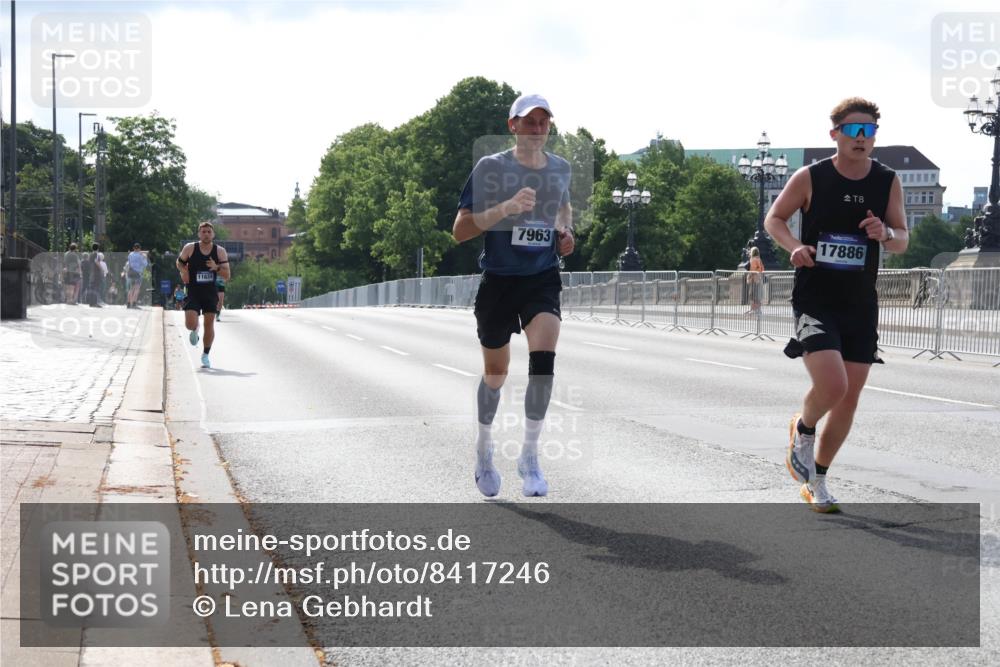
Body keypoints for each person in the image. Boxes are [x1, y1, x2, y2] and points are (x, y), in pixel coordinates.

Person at [764, 97, 908, 512]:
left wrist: (885, 233)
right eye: (854, 131)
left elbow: (902, 239)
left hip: (860, 299)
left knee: (848, 398)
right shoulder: (811, 177)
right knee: (834, 384)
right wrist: (793, 246)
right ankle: (803, 427)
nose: (862, 139)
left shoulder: (887, 181)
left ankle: (818, 480)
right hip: (816, 295)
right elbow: (775, 219)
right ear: (836, 134)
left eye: (869, 132)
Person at [453, 93, 575, 498]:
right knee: (496, 374)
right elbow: (462, 229)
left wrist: (565, 233)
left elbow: (563, 209)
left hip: (541, 277)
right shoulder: (491, 167)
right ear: (513, 126)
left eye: (543, 122)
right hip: (499, 280)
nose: (537, 128)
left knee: (544, 360)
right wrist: (504, 208)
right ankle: (484, 449)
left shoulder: (560, 169)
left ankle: (530, 455)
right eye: (529, 121)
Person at [176, 222, 230, 368]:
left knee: (209, 324)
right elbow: (179, 262)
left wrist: (216, 267)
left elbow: (227, 275)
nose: (206, 234)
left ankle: (205, 355)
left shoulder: (220, 251)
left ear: (213, 234)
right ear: (199, 234)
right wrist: (184, 271)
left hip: (210, 292)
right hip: (193, 291)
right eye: (203, 232)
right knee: (189, 324)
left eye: (209, 232)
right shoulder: (190, 248)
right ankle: (195, 328)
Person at [126, 242, 149, 309]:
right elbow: (145, 264)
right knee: (136, 289)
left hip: (130, 272)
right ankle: (134, 303)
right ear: (139, 248)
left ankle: (128, 303)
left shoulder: (130, 254)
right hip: (138, 273)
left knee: (131, 289)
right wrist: (145, 257)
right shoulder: (141, 255)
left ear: (133, 248)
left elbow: (129, 263)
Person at [745, 246, 765, 315]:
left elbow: (753, 270)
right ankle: (758, 310)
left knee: (752, 295)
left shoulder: (753, 259)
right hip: (759, 279)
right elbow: (762, 269)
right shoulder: (759, 259)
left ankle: (753, 310)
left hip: (753, 279)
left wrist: (749, 276)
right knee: (758, 295)